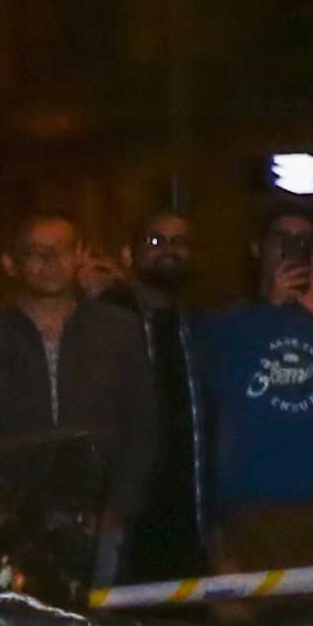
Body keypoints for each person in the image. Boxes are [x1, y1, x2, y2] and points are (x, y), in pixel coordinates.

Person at [0, 214, 159, 579]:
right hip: (7, 527)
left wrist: (118, 507)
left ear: (80, 255)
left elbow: (142, 424)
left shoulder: (118, 332)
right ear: (11, 263)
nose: (50, 261)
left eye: (62, 249)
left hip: (98, 524)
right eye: (36, 252)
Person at [196, 211, 313, 571]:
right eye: (282, 240)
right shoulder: (226, 322)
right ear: (258, 247)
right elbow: (220, 385)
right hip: (252, 504)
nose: (293, 250)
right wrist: (268, 307)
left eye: (304, 242)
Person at [100, 210, 209, 586]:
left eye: (179, 243)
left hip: (189, 515)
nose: (169, 251)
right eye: (156, 241)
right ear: (129, 254)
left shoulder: (199, 324)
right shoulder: (103, 320)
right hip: (122, 518)